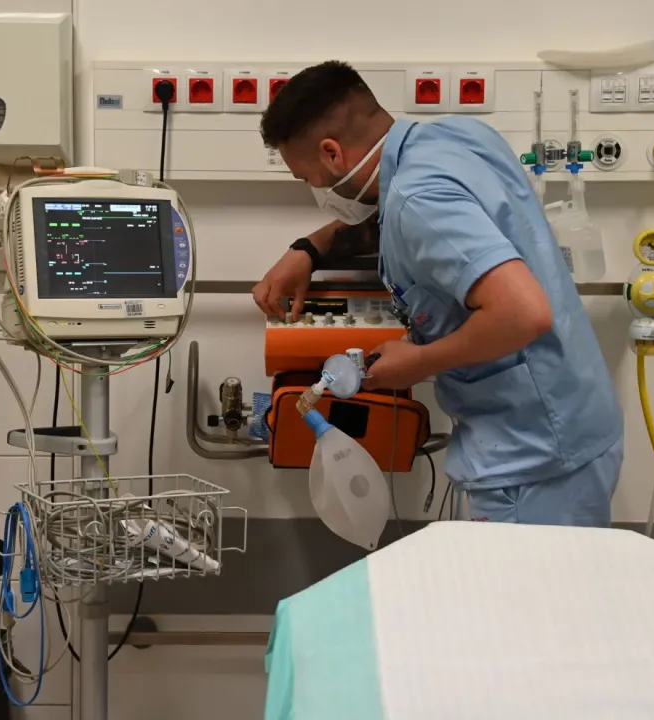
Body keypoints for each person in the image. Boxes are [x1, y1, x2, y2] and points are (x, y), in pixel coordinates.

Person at [252, 61, 623, 528]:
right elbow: (404, 217)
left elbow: (522, 313)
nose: (317, 190)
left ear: (332, 153)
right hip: (571, 418)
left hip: (533, 458)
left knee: (527, 580)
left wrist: (419, 362)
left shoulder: (417, 199)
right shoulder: (457, 138)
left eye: (309, 179)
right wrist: (310, 249)